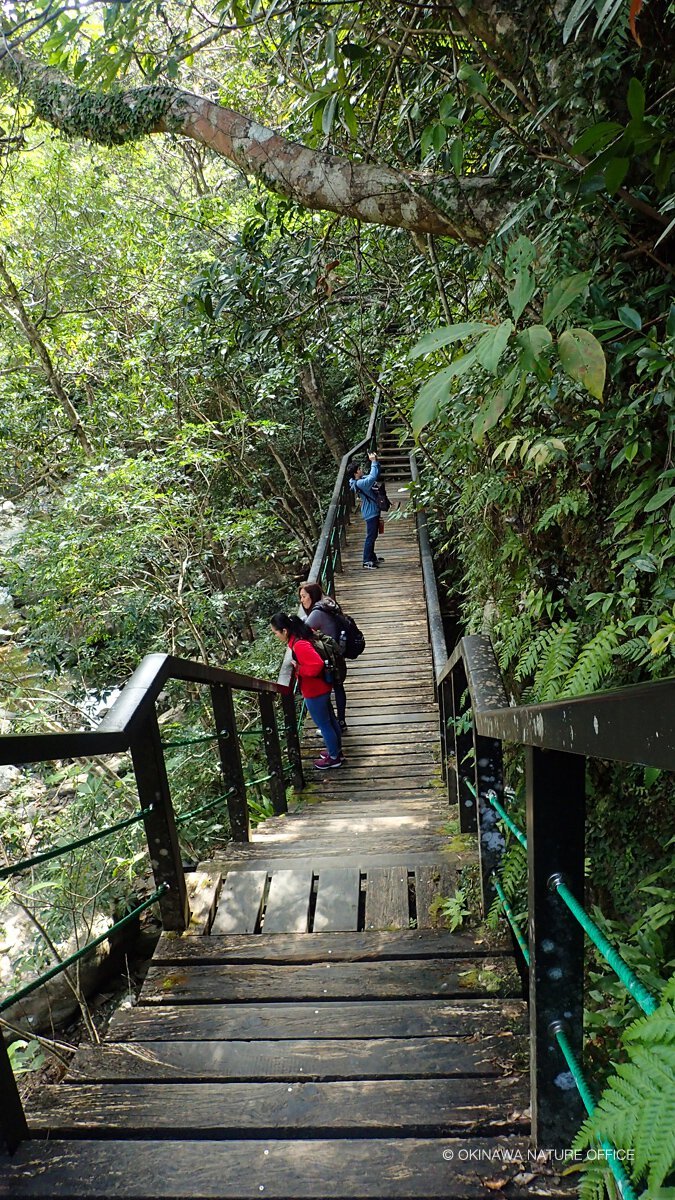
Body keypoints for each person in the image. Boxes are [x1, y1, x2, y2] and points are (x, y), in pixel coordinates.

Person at [270, 612, 343, 769]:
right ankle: (336, 751)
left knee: (324, 724)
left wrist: (299, 669)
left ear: (284, 630)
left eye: (275, 632)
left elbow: (317, 665)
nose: (276, 636)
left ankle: (334, 757)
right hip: (321, 687)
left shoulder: (299, 644)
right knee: (330, 720)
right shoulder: (299, 636)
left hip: (315, 690)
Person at [299, 581, 348, 732]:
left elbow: (304, 631)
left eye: (304, 596)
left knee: (325, 689)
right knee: (338, 687)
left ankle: (331, 726)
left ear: (311, 596)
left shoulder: (317, 612)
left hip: (329, 656)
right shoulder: (327, 602)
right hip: (338, 650)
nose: (302, 600)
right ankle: (340, 722)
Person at [347, 450, 384, 570]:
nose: (362, 469)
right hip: (370, 512)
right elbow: (372, 477)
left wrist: (376, 462)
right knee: (370, 536)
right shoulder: (361, 483)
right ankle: (366, 560)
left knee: (373, 535)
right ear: (356, 472)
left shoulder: (359, 480)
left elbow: (374, 475)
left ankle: (372, 557)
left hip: (372, 510)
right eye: (360, 468)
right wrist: (373, 461)